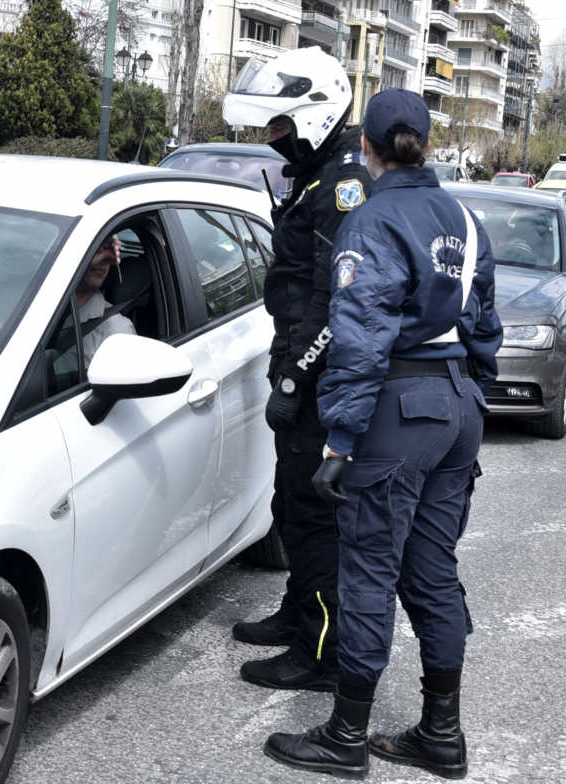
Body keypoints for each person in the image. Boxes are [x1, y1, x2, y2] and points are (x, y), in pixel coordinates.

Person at [261, 89, 503, 780]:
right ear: (424, 144)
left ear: (366, 147)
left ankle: (345, 736)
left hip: (400, 406)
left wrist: (339, 439)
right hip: (457, 406)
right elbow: (487, 327)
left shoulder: (371, 220)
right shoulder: (465, 217)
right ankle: (441, 734)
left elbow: (361, 340)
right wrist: (469, 399)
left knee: (367, 568)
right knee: (433, 573)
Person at [222, 47, 372, 691]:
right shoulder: (314, 180)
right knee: (291, 504)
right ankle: (297, 614)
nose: (272, 137)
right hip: (300, 371)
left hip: (318, 381)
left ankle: (320, 652)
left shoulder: (342, 187)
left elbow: (334, 299)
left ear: (316, 115)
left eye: (280, 125)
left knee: (314, 516)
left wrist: (294, 379)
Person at [76, 235, 134, 367]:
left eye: (109, 250)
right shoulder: (38, 306)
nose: (103, 261)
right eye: (95, 250)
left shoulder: (116, 331)